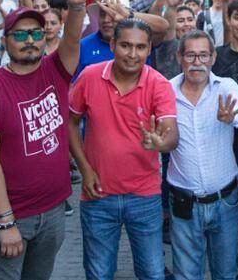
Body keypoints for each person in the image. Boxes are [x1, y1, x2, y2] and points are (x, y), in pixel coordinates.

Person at [0, 0, 89, 280]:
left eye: (36, 32)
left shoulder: (54, 70)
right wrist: (6, 221)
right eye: (20, 34)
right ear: (6, 41)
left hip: (52, 212)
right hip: (10, 219)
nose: (30, 39)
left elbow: (73, 41)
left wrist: (77, 5)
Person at [69, 18, 178, 280]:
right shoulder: (89, 76)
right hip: (97, 195)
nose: (133, 54)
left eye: (140, 47)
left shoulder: (159, 83)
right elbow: (70, 123)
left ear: (149, 49)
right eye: (126, 46)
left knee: (152, 273)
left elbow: (171, 133)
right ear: (113, 44)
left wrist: (160, 143)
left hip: (145, 196)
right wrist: (85, 169)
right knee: (98, 273)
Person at [166, 30, 238, 280]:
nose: (197, 62)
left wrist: (233, 117)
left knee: (225, 273)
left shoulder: (226, 87)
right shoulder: (166, 90)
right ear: (179, 57)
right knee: (186, 274)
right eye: (190, 55)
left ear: (213, 58)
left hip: (225, 201)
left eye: (203, 55)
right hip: (183, 202)